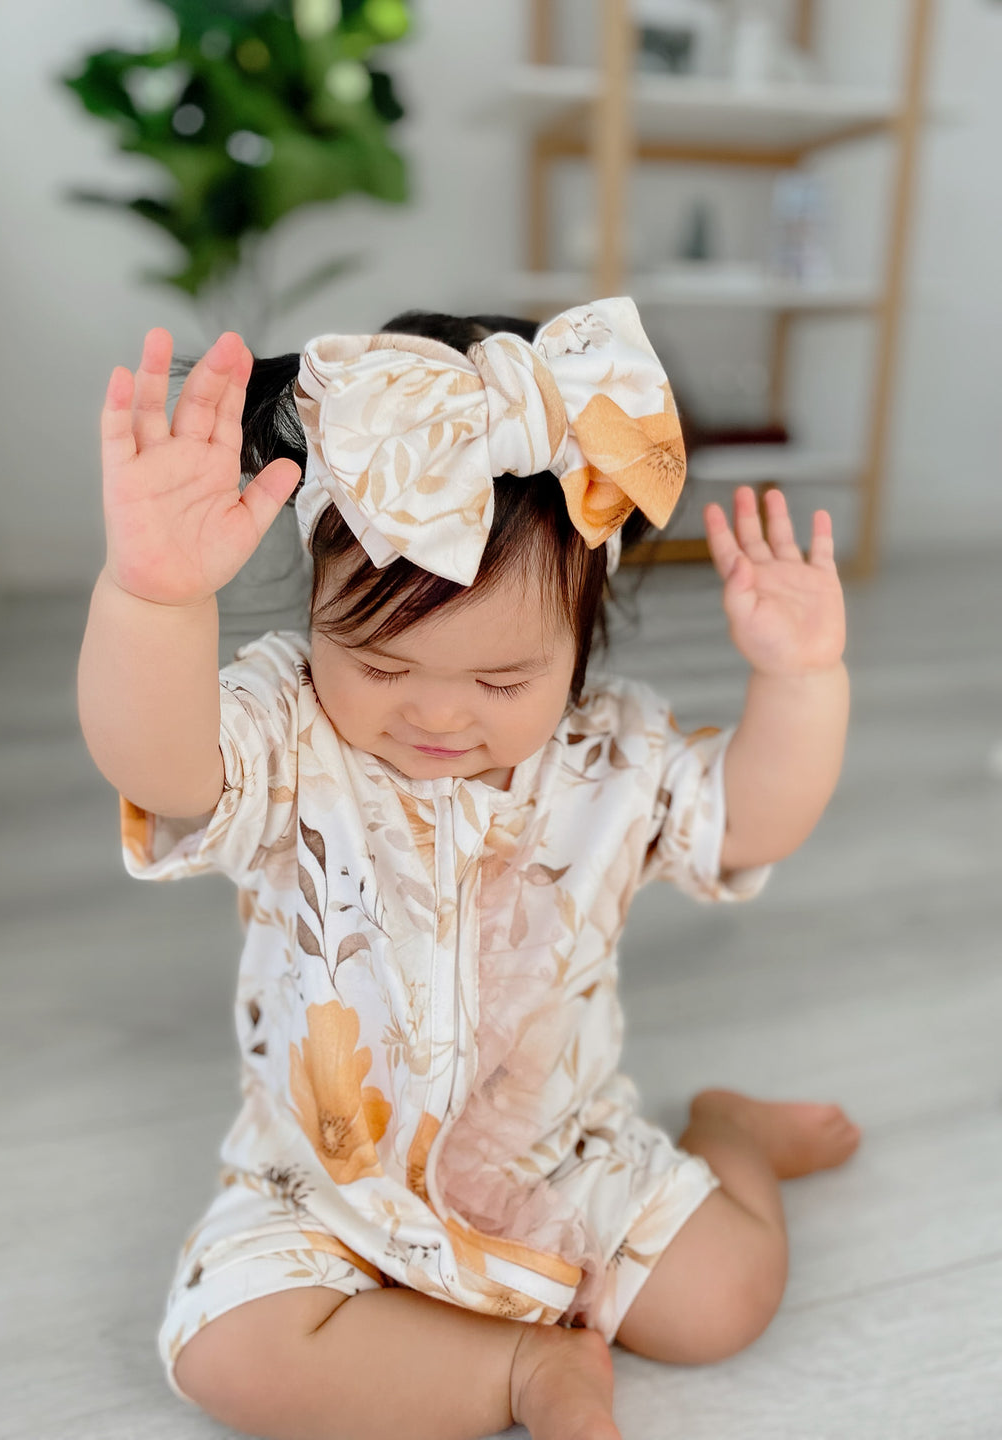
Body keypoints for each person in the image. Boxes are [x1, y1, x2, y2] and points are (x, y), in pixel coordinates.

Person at [78, 298, 860, 1440]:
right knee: (225, 1356)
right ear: (313, 617)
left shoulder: (609, 751)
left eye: (503, 682)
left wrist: (804, 682)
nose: (439, 712)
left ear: (583, 642)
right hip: (326, 1185)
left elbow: (749, 826)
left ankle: (728, 1135)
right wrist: (151, 597)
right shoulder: (289, 734)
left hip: (558, 1152)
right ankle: (518, 1374)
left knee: (724, 1302)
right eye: (384, 662)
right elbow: (162, 764)